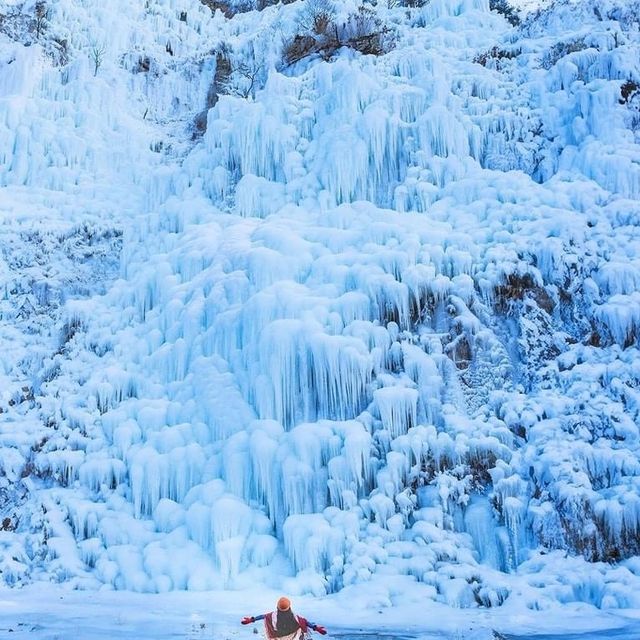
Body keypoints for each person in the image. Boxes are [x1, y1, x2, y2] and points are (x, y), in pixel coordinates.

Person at [241, 597, 327, 640]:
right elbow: (305, 622)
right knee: (300, 630)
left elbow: (263, 616)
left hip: (278, 636)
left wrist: (252, 620)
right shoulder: (294, 616)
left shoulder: (273, 615)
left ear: (277, 607)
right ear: (289, 607)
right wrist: (316, 628)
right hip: (293, 636)